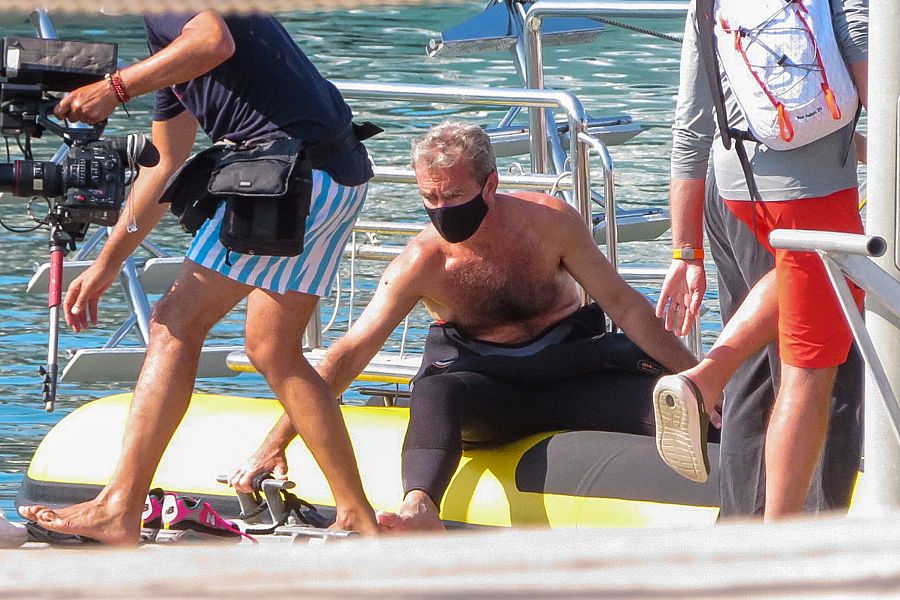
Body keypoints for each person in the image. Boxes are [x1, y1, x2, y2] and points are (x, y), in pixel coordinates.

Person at [229, 121, 704, 532]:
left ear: (490, 185)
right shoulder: (422, 261)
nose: (441, 208)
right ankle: (420, 507)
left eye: (453, 195)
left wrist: (701, 381)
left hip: (577, 372)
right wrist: (272, 445)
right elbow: (349, 354)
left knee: (673, 395)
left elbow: (626, 306)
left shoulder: (550, 223)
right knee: (436, 392)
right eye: (429, 197)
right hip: (489, 392)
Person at [18, 11, 380, 543]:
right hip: (337, 173)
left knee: (172, 325)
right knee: (273, 349)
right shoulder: (167, 38)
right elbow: (164, 163)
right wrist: (108, 260)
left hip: (291, 179)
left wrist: (113, 89)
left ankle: (120, 507)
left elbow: (214, 40)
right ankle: (357, 515)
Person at [654, 0, 868, 518]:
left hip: (733, 194)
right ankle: (782, 546)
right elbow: (877, 91)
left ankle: (702, 379)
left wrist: (685, 252)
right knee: (811, 373)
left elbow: (690, 126)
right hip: (813, 199)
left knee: (769, 344)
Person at [704, 171, 863, 517]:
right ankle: (804, 544)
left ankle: (746, 537)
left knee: (754, 375)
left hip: (727, 180)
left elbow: (692, 130)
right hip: (801, 191)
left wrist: (684, 252)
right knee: (818, 376)